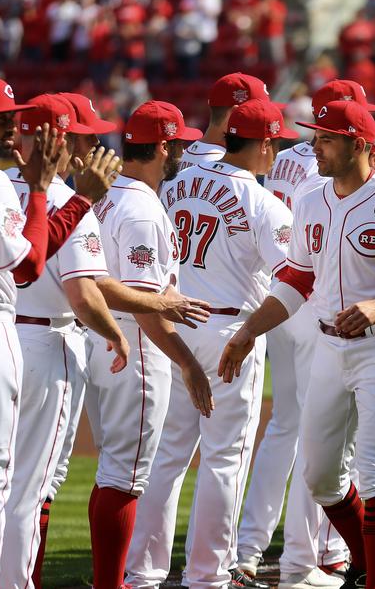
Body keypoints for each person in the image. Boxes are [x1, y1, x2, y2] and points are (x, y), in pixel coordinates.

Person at [220, 100, 375, 589]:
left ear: (358, 145)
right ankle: (373, 560)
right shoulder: (309, 197)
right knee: (321, 477)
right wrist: (249, 331)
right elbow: (296, 278)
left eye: (326, 138)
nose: (315, 146)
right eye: (316, 137)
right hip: (330, 345)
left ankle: (374, 580)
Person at [129, 99, 296, 589]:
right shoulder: (265, 203)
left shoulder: (174, 181)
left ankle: (142, 573)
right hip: (230, 333)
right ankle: (208, 576)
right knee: (224, 458)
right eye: (276, 141)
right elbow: (291, 278)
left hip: (173, 324)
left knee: (169, 455)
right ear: (264, 143)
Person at [87, 100, 216, 589]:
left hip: (100, 335)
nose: (181, 150)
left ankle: (110, 580)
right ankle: (111, 583)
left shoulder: (108, 195)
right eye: (178, 142)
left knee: (113, 468)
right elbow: (145, 301)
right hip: (135, 341)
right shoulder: (140, 208)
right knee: (126, 473)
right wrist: (187, 362)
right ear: (164, 146)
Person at [0, 94, 126, 588]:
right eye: (85, 136)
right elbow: (83, 297)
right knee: (33, 488)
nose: (93, 146)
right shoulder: (72, 205)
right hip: (46, 345)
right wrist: (115, 333)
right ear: (61, 141)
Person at [181, 72, 276, 171]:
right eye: (258, 115)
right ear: (235, 114)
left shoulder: (184, 156)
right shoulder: (228, 168)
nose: (264, 120)